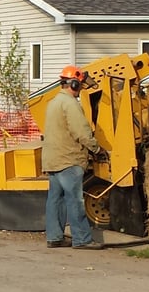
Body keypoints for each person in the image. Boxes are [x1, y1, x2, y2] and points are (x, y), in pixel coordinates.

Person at [42, 65, 105, 250]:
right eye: (80, 84)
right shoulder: (70, 104)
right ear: (74, 84)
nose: (81, 89)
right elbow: (81, 132)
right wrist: (97, 149)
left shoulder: (53, 102)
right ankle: (82, 239)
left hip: (53, 159)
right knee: (75, 200)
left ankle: (54, 237)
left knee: (55, 199)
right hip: (69, 159)